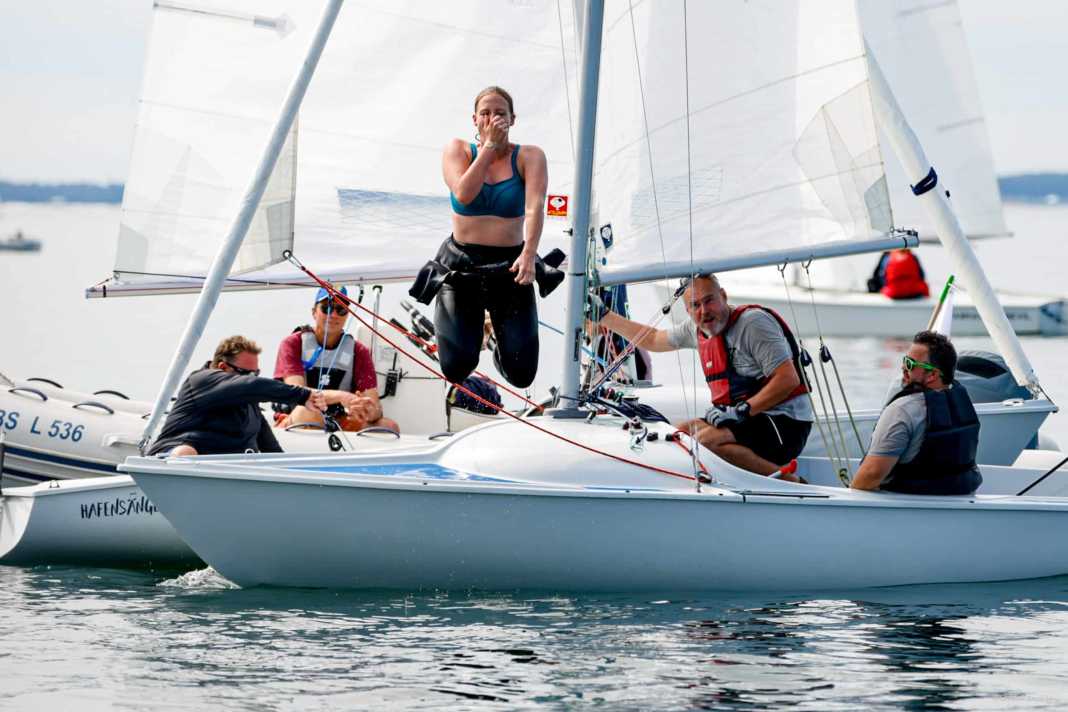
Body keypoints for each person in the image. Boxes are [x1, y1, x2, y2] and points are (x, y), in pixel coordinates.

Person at [409, 85, 564, 388]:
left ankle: (494, 337)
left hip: (509, 264)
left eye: (500, 114)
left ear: (512, 119)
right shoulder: (458, 150)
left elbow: (534, 208)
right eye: (486, 113)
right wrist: (489, 148)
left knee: (522, 375)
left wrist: (530, 253)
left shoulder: (529, 156)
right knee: (456, 368)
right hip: (462, 266)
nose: (493, 119)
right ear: (475, 119)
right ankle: (473, 330)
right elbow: (464, 194)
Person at [591, 273, 813, 478]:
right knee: (680, 434)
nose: (704, 311)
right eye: (695, 305)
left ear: (723, 296)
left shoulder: (753, 324)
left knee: (705, 443)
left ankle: (790, 482)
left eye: (709, 300)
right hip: (748, 419)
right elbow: (653, 339)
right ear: (687, 310)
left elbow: (788, 379)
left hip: (786, 424)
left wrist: (741, 411)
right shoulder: (696, 328)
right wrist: (605, 317)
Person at [148, 335, 326, 457]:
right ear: (223, 368)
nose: (252, 379)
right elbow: (252, 386)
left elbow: (272, 451)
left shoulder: (250, 406)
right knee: (185, 453)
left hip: (219, 479)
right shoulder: (201, 380)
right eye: (246, 374)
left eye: (255, 373)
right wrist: (302, 395)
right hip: (172, 461)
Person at [851, 331, 982, 495]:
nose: (903, 368)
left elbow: (870, 476)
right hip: (959, 497)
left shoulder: (902, 410)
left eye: (911, 364)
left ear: (933, 374)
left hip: (908, 504)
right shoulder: (962, 401)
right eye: (905, 360)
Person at [274, 287, 399, 433]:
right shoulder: (292, 344)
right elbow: (297, 392)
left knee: (389, 427)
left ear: (346, 315)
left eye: (341, 310)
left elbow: (374, 405)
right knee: (309, 414)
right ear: (314, 312)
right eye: (326, 308)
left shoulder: (359, 352)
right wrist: (341, 396)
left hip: (339, 421)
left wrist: (369, 410)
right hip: (297, 418)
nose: (333, 315)